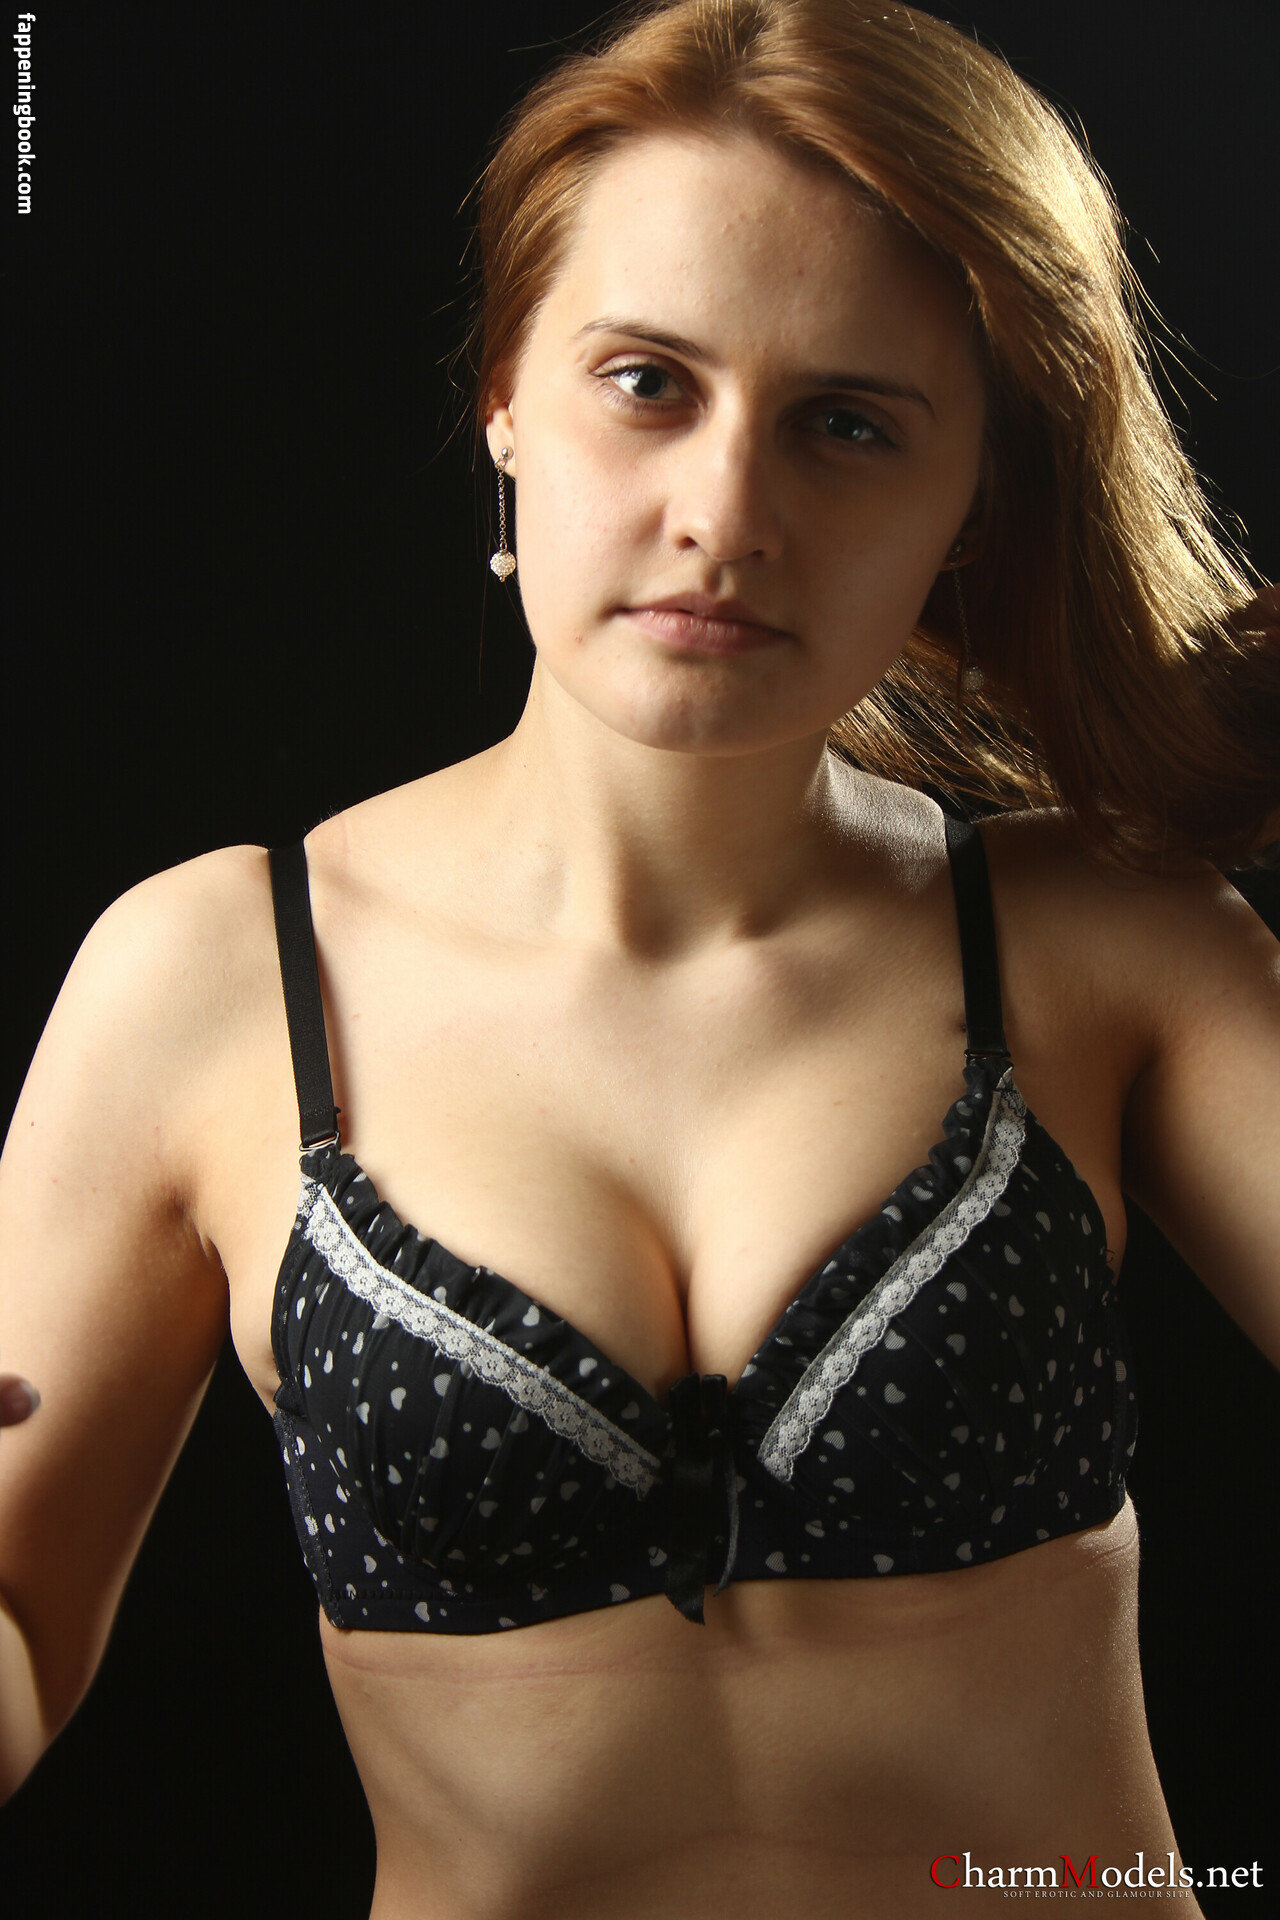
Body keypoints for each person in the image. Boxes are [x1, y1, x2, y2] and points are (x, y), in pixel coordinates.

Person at [2, 1, 1278, 1914]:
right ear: (506, 396)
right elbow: (19, 1628)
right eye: (647, 382)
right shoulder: (212, 982)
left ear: (973, 501)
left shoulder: (1109, 944)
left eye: (848, 425)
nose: (725, 516)